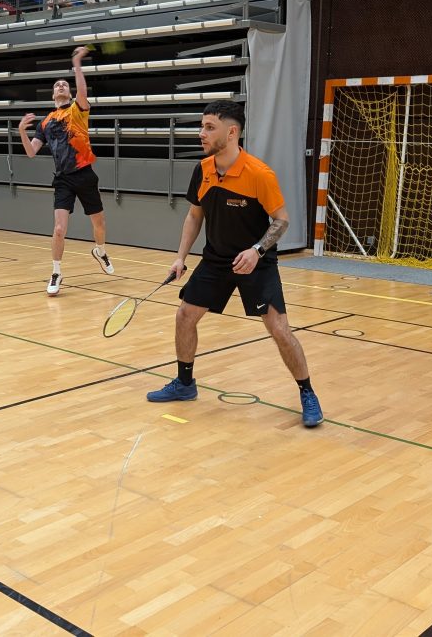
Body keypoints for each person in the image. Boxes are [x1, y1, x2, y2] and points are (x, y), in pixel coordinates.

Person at [145, 100, 323, 428]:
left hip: (256, 262)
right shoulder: (203, 169)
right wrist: (180, 257)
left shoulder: (259, 174)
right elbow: (194, 215)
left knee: (279, 330)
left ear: (231, 132)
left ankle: (307, 392)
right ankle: (185, 384)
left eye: (209, 127)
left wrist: (257, 250)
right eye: (202, 126)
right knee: (185, 315)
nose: (201, 133)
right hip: (216, 259)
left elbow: (281, 221)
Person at [17, 46, 114, 295]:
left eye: (64, 84)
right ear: (53, 94)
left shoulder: (77, 110)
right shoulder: (45, 123)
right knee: (59, 229)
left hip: (85, 173)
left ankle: (100, 251)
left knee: (99, 223)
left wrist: (77, 64)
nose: (61, 86)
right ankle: (56, 272)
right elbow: (31, 152)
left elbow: (82, 90)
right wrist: (21, 132)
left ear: (70, 93)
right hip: (63, 179)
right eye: (57, 85)